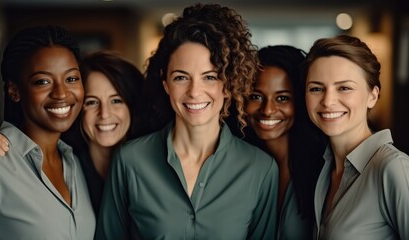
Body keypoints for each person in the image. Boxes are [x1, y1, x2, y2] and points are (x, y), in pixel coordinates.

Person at [96, 3, 279, 239]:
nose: (194, 91)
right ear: (165, 83)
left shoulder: (260, 169)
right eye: (181, 77)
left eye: (210, 77)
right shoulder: (129, 161)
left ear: (229, 85)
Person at [0, 50, 147, 217]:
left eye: (116, 100)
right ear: (77, 108)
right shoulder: (66, 166)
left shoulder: (150, 164)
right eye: (92, 102)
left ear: (132, 105)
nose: (104, 114)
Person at [0, 26, 95, 239]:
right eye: (43, 81)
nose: (61, 93)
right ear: (15, 91)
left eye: (71, 79)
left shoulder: (75, 164)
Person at [301, 34, 409, 239]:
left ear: (372, 95)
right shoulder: (324, 169)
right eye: (316, 88)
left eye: (344, 88)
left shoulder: (394, 169)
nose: (328, 101)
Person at [240, 45, 326, 240]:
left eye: (282, 98)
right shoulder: (235, 165)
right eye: (255, 96)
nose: (268, 110)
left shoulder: (323, 168)